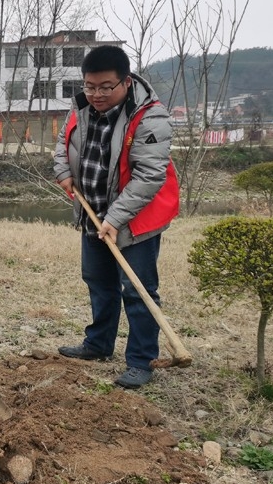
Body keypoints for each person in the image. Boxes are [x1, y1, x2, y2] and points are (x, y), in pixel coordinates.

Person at [53, 45, 179, 390]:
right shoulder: (79, 107)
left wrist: (117, 218)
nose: (95, 94)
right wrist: (63, 173)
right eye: (89, 86)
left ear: (125, 82)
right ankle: (98, 344)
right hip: (92, 212)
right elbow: (63, 146)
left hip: (135, 220)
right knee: (98, 281)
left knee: (138, 291)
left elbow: (150, 175)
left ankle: (140, 360)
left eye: (105, 87)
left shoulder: (149, 116)